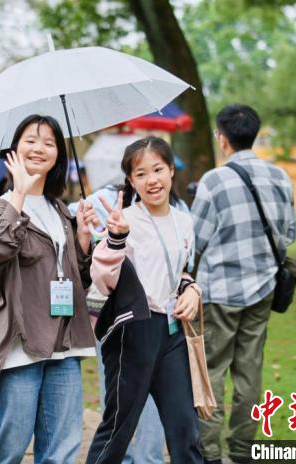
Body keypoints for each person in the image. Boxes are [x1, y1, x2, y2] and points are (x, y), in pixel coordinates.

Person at [0, 114, 98, 464]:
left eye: (49, 142)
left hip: (64, 344)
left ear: (59, 153)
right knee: (8, 444)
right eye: (30, 140)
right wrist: (20, 193)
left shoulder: (60, 211)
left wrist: (83, 241)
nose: (39, 148)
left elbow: (77, 282)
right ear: (15, 150)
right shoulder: (2, 206)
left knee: (62, 446)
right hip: (21, 344)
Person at [87, 136, 203, 464]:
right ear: (130, 181)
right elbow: (103, 280)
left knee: (185, 427)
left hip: (172, 333)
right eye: (140, 174)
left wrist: (193, 290)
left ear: (170, 171)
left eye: (158, 169)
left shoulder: (184, 221)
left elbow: (179, 271)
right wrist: (115, 238)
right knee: (118, 428)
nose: (151, 180)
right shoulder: (124, 221)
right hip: (133, 332)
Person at [191, 104, 296, 464]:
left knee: (212, 374)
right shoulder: (281, 177)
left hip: (219, 293)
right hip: (263, 290)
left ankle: (209, 454)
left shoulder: (214, 181)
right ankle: (242, 451)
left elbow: (195, 241)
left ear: (223, 138)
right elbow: (289, 234)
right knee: (250, 374)